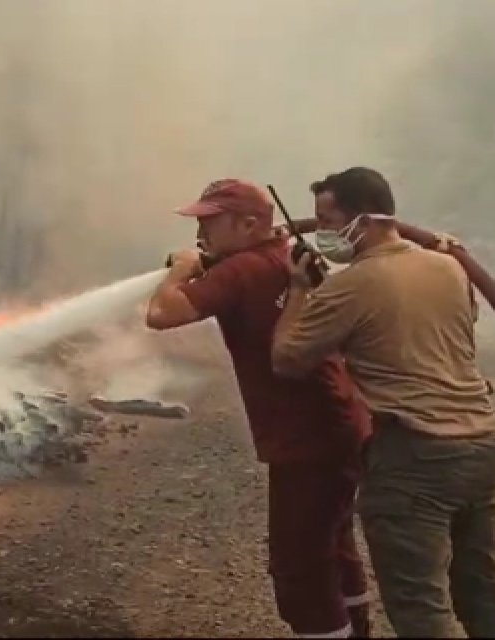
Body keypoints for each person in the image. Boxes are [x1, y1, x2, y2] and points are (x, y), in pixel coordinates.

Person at [270, 167, 495, 638]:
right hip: (482, 450)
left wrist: (301, 290)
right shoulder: (448, 266)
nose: (320, 230)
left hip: (414, 459)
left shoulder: (354, 285)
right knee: (481, 591)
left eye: (327, 219)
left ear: (361, 220)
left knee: (420, 609)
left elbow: (287, 358)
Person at [146, 178, 374, 638]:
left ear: (249, 224)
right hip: (343, 424)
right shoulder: (281, 256)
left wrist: (182, 271)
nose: (199, 235)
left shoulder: (242, 269)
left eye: (210, 223)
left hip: (304, 439)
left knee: (299, 568)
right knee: (334, 546)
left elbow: (161, 314)